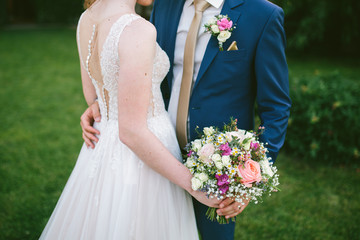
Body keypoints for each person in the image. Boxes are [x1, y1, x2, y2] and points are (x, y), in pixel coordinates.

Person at [81, 0, 291, 239]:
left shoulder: (263, 15)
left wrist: (251, 178)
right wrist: (104, 103)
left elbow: (275, 107)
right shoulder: (165, 4)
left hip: (219, 169)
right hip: (155, 153)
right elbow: (139, 67)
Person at [39, 0, 222, 239]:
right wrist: (194, 184)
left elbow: (92, 95)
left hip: (102, 146)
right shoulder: (137, 30)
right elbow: (132, 132)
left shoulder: (87, 18)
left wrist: (99, 107)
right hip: (144, 158)